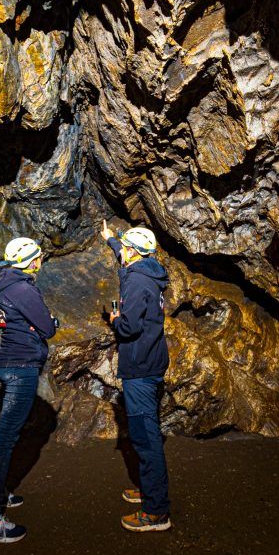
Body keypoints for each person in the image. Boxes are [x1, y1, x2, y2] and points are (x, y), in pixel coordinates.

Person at [0, 237, 58, 545]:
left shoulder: (7, 284)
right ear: (31, 261)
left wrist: (37, 325)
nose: (41, 261)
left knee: (7, 438)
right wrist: (46, 324)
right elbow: (48, 327)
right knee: (5, 441)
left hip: (8, 362)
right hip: (21, 368)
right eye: (38, 257)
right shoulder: (24, 289)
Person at [101, 219, 171, 532]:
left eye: (124, 248)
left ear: (133, 253)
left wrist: (116, 318)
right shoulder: (149, 271)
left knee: (145, 437)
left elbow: (129, 327)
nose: (122, 251)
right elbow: (126, 254)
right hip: (152, 359)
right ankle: (147, 489)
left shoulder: (136, 282)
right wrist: (111, 239)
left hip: (140, 365)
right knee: (146, 431)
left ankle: (156, 512)